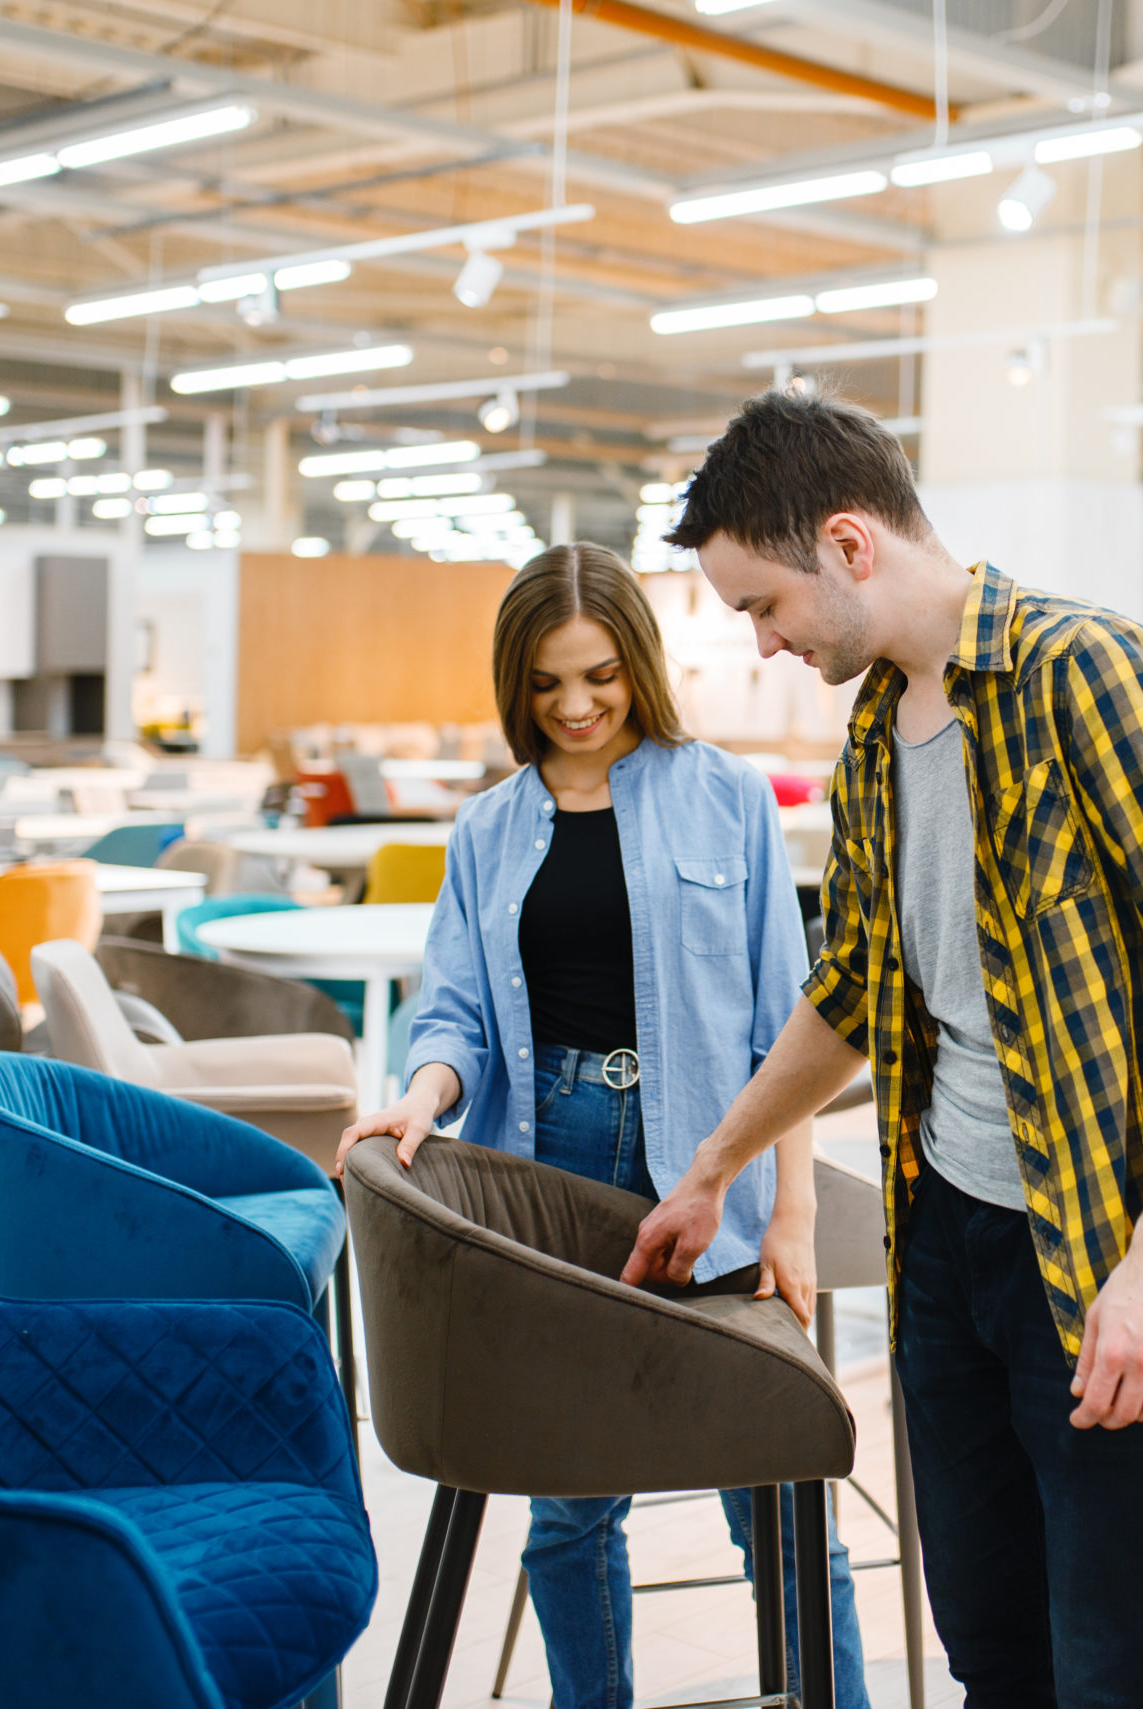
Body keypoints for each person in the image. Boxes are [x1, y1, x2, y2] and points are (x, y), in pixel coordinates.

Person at [622, 391, 1143, 1708]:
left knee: (1116, 1667)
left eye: (763, 605)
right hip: (947, 1239)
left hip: (1112, 1245)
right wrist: (716, 1164)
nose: (763, 645)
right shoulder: (881, 728)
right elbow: (860, 991)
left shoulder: (1093, 672)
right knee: (991, 1650)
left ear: (848, 543)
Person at [335, 543, 871, 1709]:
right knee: (570, 1511)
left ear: (637, 662)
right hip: (551, 1166)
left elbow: (788, 1021)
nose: (576, 706)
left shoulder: (724, 793)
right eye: (545, 685)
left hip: (712, 1169)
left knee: (780, 1501)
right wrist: (423, 1093)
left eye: (598, 676)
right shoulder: (487, 828)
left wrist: (790, 1210)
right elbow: (456, 1012)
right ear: (514, 688)